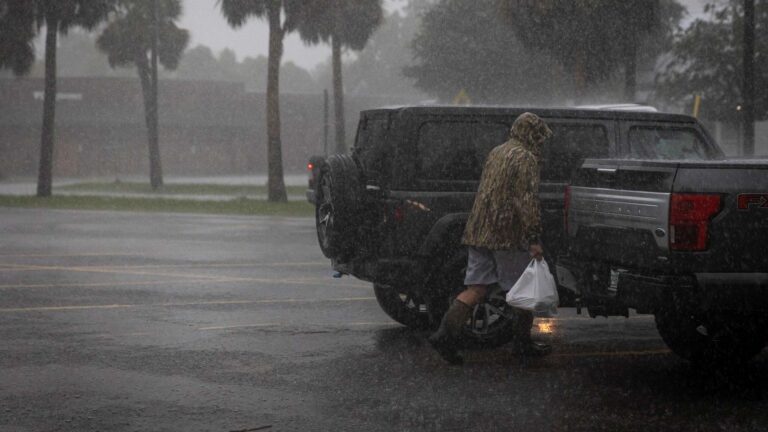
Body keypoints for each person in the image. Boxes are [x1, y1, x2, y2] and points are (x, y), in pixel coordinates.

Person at [428, 112, 553, 365]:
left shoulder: (497, 152)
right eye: (540, 137)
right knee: (522, 291)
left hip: (479, 229)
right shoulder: (526, 158)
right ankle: (522, 345)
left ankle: (445, 335)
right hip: (507, 233)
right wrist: (533, 238)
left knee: (476, 288)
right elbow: (525, 201)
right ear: (533, 135)